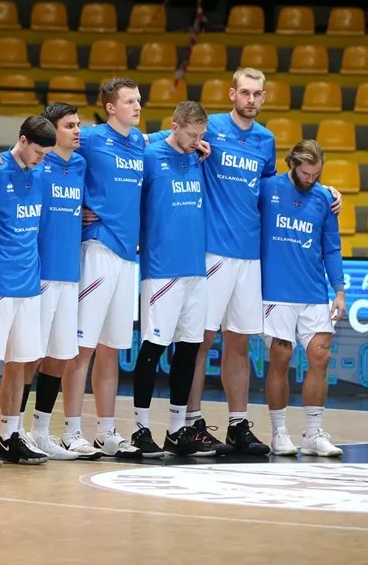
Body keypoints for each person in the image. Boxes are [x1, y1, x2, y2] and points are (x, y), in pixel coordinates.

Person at [145, 67, 341, 455]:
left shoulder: (266, 141)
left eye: (258, 94)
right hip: (213, 251)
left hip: (250, 258)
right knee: (199, 340)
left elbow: (275, 187)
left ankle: (237, 424)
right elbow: (161, 138)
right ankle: (191, 422)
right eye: (245, 92)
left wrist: (325, 188)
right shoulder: (211, 127)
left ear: (263, 98)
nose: (251, 99)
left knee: (239, 342)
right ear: (232, 93)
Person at [0, 104, 94, 460]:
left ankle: (41, 431)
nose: (77, 131)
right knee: (27, 356)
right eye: (69, 125)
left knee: (59, 356)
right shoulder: (37, 166)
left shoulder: (81, 165)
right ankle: (16, 429)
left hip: (70, 273)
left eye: (78, 125)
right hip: (37, 275)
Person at [60, 77, 144, 458]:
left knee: (111, 348)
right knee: (83, 346)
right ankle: (70, 431)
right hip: (97, 249)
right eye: (129, 101)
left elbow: (177, 141)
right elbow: (50, 154)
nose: (137, 106)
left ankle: (106, 431)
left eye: (138, 100)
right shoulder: (91, 138)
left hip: (129, 256)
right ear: (111, 106)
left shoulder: (142, 142)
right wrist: (76, 208)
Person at [0, 116, 56, 465]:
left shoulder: (41, 176)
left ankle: (10, 435)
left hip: (29, 284)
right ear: (21, 140)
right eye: (37, 151)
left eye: (46, 154)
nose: (40, 159)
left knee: (21, 361)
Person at [130, 101, 214, 457]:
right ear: (174, 127)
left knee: (190, 347)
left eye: (201, 136)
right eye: (191, 135)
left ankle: (178, 429)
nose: (197, 141)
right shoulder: (149, 157)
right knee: (153, 348)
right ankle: (140, 428)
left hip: (196, 268)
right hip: (162, 269)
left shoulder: (197, 156)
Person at [259, 139, 346, 457]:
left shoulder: (325, 198)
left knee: (320, 357)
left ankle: (313, 433)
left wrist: (339, 290)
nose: (310, 179)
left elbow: (331, 248)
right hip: (277, 293)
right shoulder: (268, 189)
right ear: (292, 164)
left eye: (316, 174)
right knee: (280, 360)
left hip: (313, 293)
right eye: (306, 173)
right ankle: (279, 432)